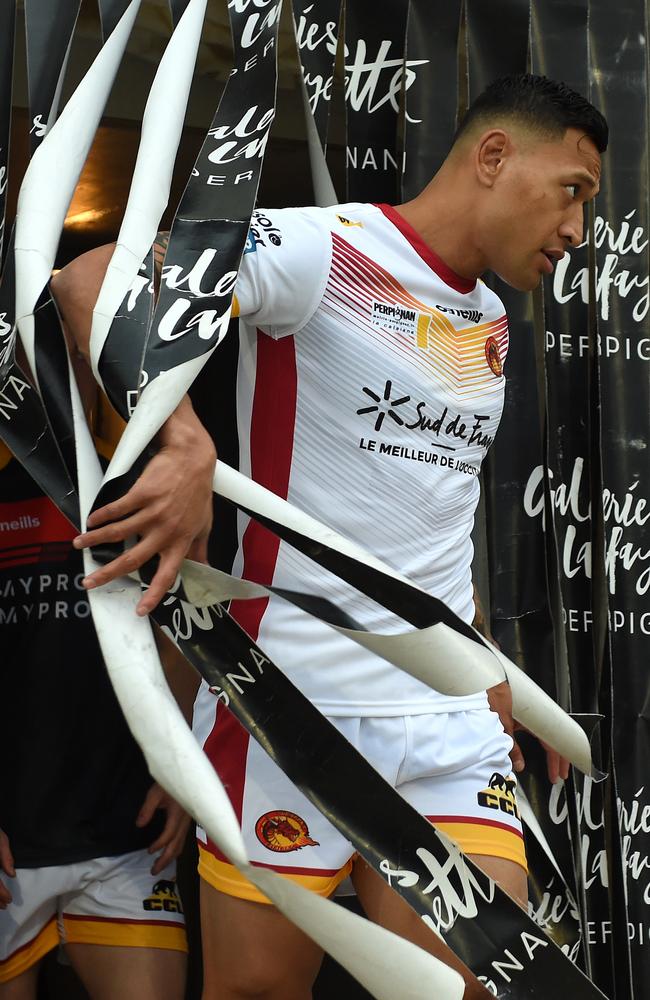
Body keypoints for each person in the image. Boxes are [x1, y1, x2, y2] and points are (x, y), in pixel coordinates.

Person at [51, 74, 607, 999]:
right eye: (574, 192)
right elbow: (91, 281)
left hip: (446, 725)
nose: (577, 233)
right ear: (496, 157)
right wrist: (183, 440)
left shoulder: (494, 322)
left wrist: (485, 664)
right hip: (290, 713)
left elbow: (435, 510)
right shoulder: (325, 249)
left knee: (474, 987)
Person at [0, 363, 200, 999]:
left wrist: (179, 762)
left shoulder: (159, 471)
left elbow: (190, 625)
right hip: (10, 834)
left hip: (126, 834)